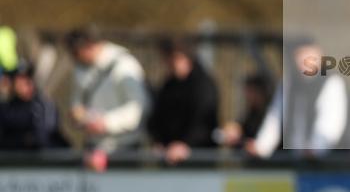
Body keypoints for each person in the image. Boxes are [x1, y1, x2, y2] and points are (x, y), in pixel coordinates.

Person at [65, 27, 150, 168]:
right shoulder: (80, 68)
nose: (74, 58)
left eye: (76, 53)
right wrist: (77, 114)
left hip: (123, 149)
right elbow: (78, 100)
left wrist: (106, 123)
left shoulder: (124, 66)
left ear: (90, 46)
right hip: (93, 147)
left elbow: (138, 108)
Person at [249, 37, 346, 158]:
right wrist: (261, 147)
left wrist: (316, 148)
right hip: (293, 159)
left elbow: (331, 122)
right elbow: (275, 117)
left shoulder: (332, 82)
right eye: (299, 55)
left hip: (325, 163)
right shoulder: (288, 84)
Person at [147, 38, 220, 164]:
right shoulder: (169, 85)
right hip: (168, 158)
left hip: (198, 160)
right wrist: (158, 140)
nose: (168, 63)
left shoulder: (203, 85)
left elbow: (204, 122)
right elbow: (157, 116)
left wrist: (186, 144)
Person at [0, 60, 67, 150]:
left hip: (43, 160)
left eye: (28, 79)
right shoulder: (6, 108)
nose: (25, 84)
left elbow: (43, 138)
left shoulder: (43, 106)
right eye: (20, 80)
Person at [217, 72, 273, 151]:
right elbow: (244, 129)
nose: (247, 95)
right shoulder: (252, 113)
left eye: (250, 91)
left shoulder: (272, 114)